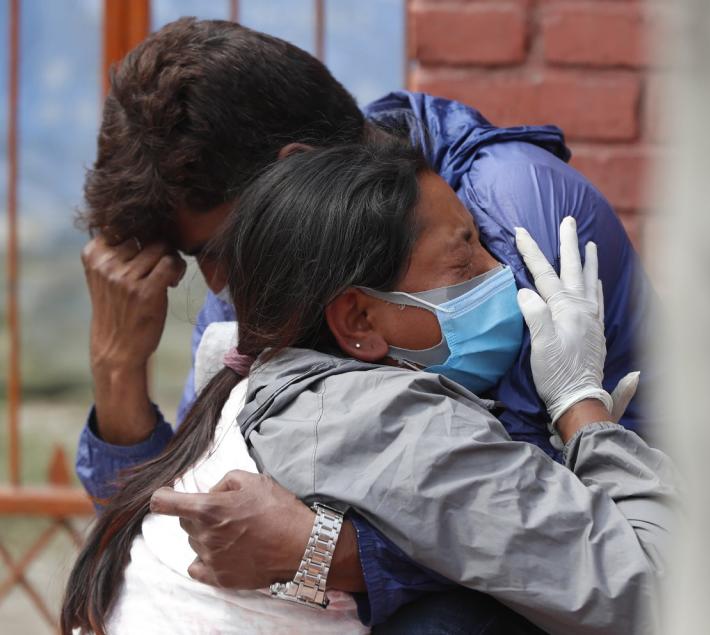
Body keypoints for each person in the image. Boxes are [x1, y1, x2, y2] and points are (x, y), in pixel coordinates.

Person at [76, 18, 660, 629]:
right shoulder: (275, 271)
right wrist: (117, 372)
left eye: (215, 249)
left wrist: (334, 553)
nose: (218, 285)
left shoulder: (501, 208)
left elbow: (539, 540)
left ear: (291, 172)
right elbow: (163, 547)